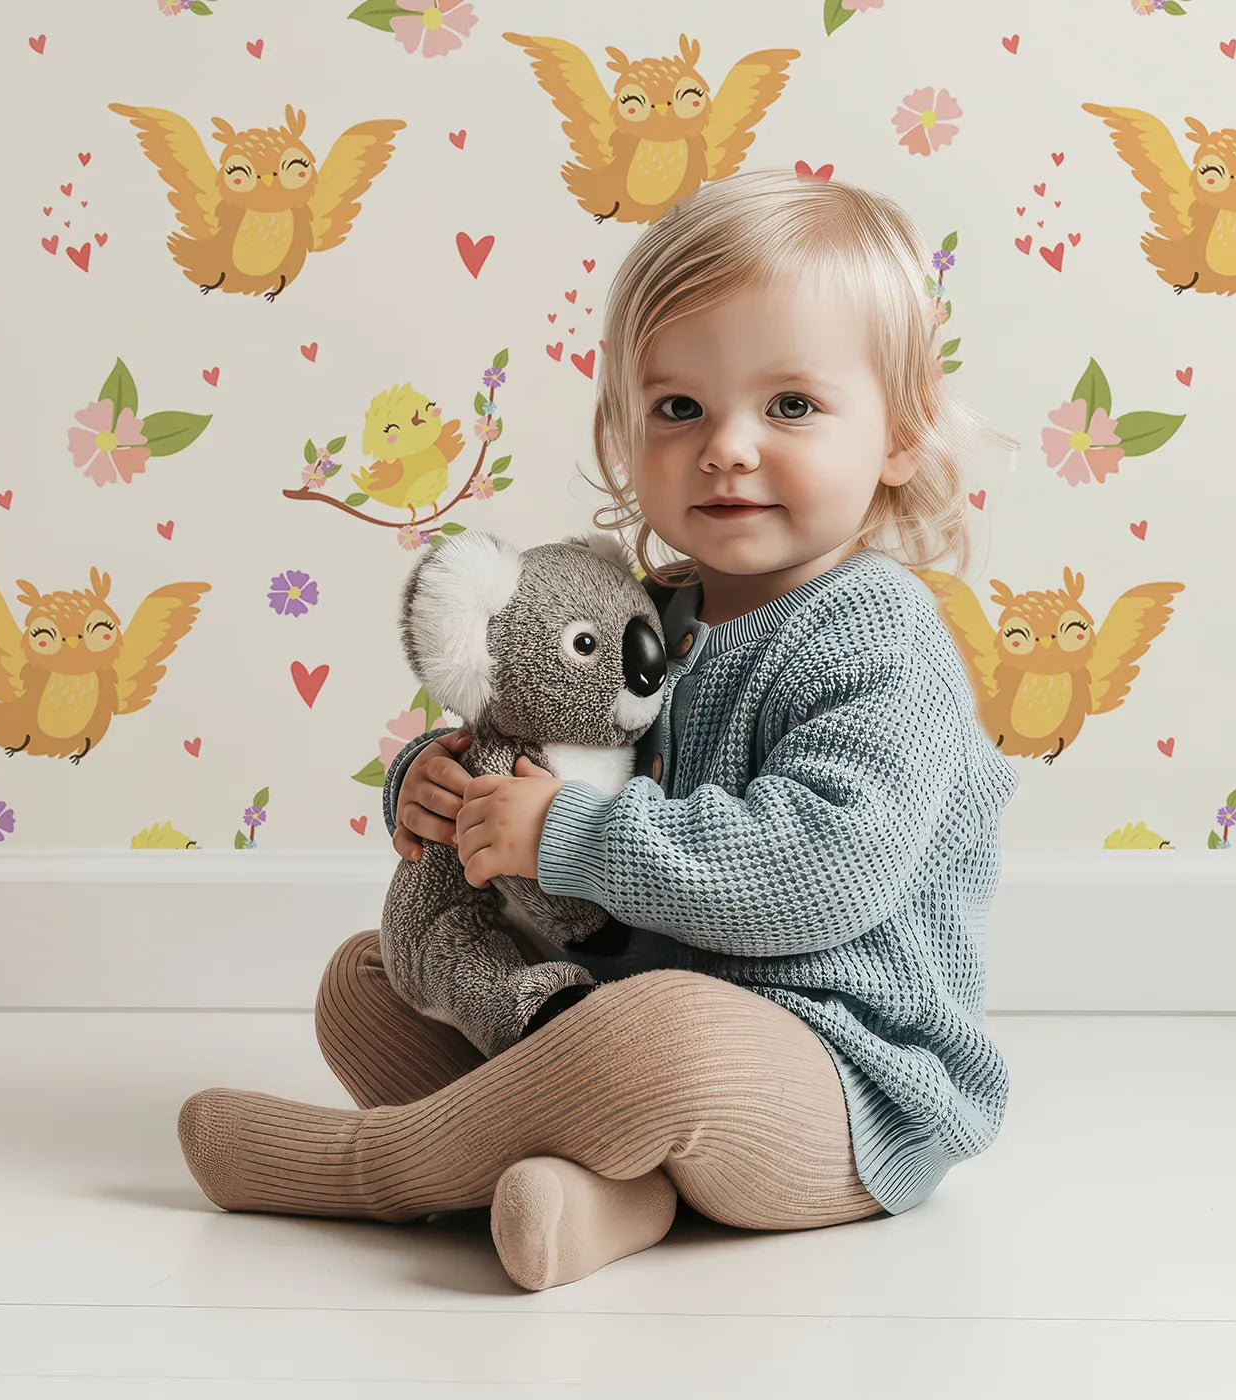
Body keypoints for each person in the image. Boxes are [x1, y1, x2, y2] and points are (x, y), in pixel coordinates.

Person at [177, 166, 1021, 1293]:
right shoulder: (637, 608)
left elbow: (818, 872)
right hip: (627, 1024)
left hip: (837, 1076)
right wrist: (440, 790)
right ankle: (607, 1196)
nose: (726, 446)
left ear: (900, 436)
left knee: (660, 1034)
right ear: (624, 429)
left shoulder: (878, 636)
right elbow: (532, 738)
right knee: (371, 979)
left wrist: (567, 834)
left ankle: (371, 1167)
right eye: (679, 408)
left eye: (790, 406)